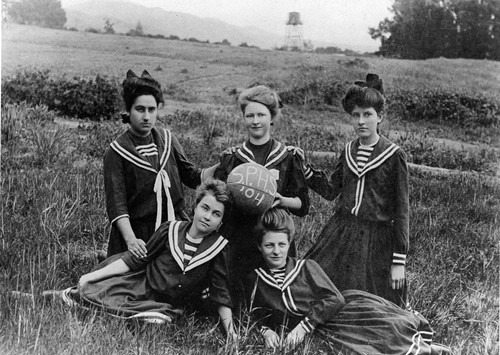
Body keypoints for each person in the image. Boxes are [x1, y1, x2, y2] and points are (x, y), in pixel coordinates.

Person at [43, 179, 236, 338]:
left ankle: (122, 314)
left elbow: (221, 292)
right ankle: (51, 296)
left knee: (157, 322)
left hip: (168, 305)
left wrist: (231, 332)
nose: (208, 216)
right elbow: (135, 260)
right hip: (140, 287)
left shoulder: (218, 247)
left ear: (220, 222)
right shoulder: (171, 229)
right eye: (205, 208)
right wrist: (92, 276)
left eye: (216, 214)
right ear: (195, 207)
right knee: (92, 291)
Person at [248, 208, 450, 355]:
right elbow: (253, 313)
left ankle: (428, 349)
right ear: (259, 247)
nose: (276, 251)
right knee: (363, 350)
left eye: (281, 244)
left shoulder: (306, 266)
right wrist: (266, 332)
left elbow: (334, 298)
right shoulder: (256, 279)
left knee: (385, 331)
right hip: (323, 331)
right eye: (269, 245)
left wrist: (302, 328)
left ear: (289, 243)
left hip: (341, 314)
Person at [301, 74, 409, 307]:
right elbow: (331, 190)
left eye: (367, 114)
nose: (361, 121)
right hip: (341, 231)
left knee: (370, 305)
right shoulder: (348, 150)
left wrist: (398, 261)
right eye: (356, 115)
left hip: (376, 239)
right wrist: (307, 172)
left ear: (379, 117)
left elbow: (402, 211)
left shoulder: (394, 155)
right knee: (312, 288)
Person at [104, 70, 217, 258]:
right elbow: (117, 205)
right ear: (128, 111)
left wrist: (224, 164)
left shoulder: (168, 139)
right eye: (140, 109)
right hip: (138, 234)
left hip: (174, 228)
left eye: (152, 109)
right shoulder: (116, 152)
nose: (147, 117)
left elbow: (193, 176)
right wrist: (131, 240)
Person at [214, 85, 309, 306]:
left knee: (274, 301)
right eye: (250, 115)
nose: (255, 121)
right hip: (239, 234)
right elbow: (220, 200)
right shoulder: (233, 157)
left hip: (274, 233)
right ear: (243, 118)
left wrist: (281, 200)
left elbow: (303, 206)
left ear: (272, 117)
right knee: (239, 295)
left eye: (261, 115)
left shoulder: (288, 156)